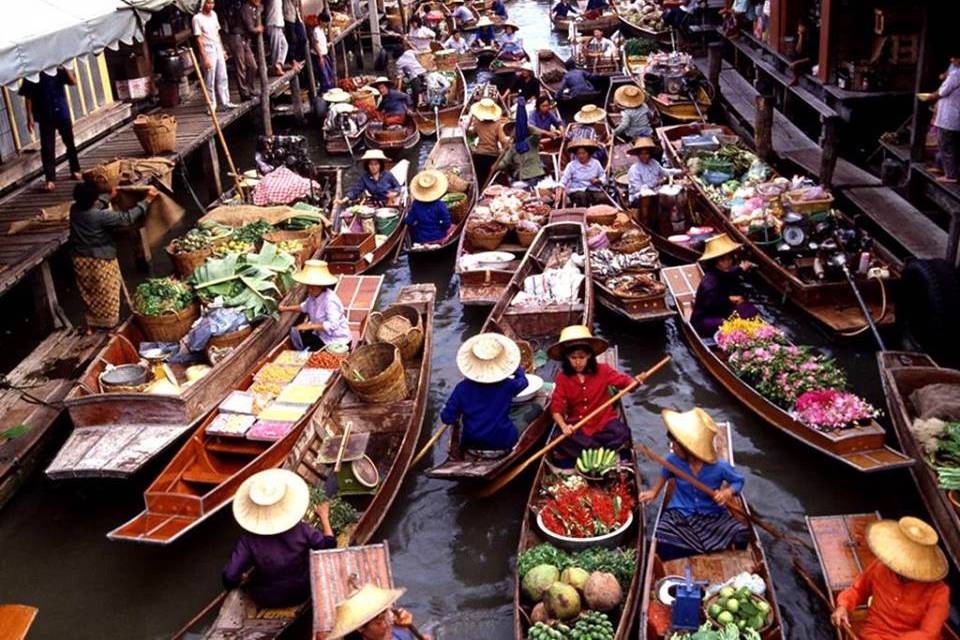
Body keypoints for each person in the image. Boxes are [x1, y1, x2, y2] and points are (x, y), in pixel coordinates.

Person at [638, 408, 750, 561]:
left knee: (741, 536)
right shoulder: (673, 461)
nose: (673, 447)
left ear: (689, 448)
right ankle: (700, 548)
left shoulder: (719, 467)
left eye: (676, 444)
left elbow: (739, 481)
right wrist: (653, 493)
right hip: (681, 513)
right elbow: (664, 476)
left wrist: (727, 492)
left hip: (711, 515)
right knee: (663, 536)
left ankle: (693, 548)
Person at [222, 469, 336, 608]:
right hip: (302, 591)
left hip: (266, 598)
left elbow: (229, 577)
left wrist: (242, 578)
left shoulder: (248, 540)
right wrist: (324, 517)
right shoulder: (301, 529)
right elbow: (329, 546)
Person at [831, 516, 950, 639]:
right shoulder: (880, 567)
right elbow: (857, 590)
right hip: (874, 634)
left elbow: (928, 633)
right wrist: (843, 606)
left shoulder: (939, 592)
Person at [69, 181, 158, 331]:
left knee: (89, 293)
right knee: (107, 293)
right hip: (99, 260)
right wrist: (146, 201)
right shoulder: (99, 216)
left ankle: (92, 325)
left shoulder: (74, 210)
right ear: (92, 200)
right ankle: (111, 327)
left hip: (79, 259)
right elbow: (126, 218)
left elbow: (95, 204)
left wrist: (109, 196)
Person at [548, 325, 633, 465]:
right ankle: (600, 451)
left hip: (604, 421)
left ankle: (591, 450)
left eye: (582, 357)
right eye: (573, 357)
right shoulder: (562, 378)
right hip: (579, 424)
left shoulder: (603, 370)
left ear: (589, 356)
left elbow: (625, 382)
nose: (577, 362)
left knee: (622, 433)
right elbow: (556, 408)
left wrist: (634, 382)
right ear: (567, 358)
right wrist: (564, 426)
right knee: (560, 439)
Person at [441, 333, 535, 452]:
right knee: (535, 408)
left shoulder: (462, 388)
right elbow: (523, 381)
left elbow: (447, 418)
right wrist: (516, 369)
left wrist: (456, 411)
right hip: (503, 442)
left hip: (471, 444)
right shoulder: (507, 385)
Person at [18, 67, 82, 192]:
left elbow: (73, 82)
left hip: (61, 111)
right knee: (47, 148)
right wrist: (29, 117)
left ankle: (75, 169)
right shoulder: (32, 72)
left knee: (69, 142)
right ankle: (50, 179)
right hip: (44, 114)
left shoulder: (57, 68)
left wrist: (65, 67)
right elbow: (28, 96)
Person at [689, 234, 759, 337]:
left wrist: (740, 269)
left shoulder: (720, 272)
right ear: (716, 262)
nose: (729, 262)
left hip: (722, 310)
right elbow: (712, 303)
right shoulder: (710, 282)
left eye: (729, 259)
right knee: (729, 325)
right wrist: (729, 299)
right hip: (705, 318)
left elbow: (729, 274)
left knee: (750, 310)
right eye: (724, 260)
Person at [279, 260, 351, 350]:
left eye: (312, 287)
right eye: (308, 286)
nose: (309, 289)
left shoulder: (330, 301)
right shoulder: (313, 296)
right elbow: (304, 307)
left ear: (321, 286)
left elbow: (333, 325)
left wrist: (310, 326)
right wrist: (285, 309)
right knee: (298, 334)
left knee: (306, 346)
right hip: (321, 336)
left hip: (337, 341)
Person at [328, 582, 432, 640]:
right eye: (379, 622)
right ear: (361, 629)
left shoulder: (394, 631)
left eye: (386, 615)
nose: (387, 624)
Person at [923, 52, 960, 184]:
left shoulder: (956, 75)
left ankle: (951, 175)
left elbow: (942, 92)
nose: (952, 60)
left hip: (949, 117)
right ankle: (943, 168)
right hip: (955, 116)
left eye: (955, 58)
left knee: (946, 145)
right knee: (950, 145)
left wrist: (928, 97)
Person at [495, 97, 548, 186]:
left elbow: (538, 133)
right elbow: (504, 162)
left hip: (537, 174)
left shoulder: (531, 141)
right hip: (522, 178)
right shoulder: (512, 147)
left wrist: (525, 126)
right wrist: (495, 167)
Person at [224, 0, 259, 100]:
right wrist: (258, 29)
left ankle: (250, 88)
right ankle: (244, 93)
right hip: (237, 38)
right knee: (241, 66)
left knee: (253, 66)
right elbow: (251, 28)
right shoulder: (245, 8)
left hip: (244, 39)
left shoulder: (253, 9)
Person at [467, 98, 508, 183]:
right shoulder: (497, 124)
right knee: (491, 180)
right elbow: (503, 140)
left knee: (480, 180)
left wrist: (468, 129)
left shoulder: (477, 122)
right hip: (493, 155)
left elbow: (472, 134)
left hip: (479, 155)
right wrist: (505, 150)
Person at [406, 170, 453, 244]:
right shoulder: (440, 205)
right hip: (438, 236)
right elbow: (447, 224)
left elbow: (408, 221)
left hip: (419, 237)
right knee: (453, 227)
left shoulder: (415, 204)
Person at [560, 139, 607, 206]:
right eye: (579, 153)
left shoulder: (596, 163)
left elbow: (603, 176)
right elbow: (563, 180)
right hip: (577, 190)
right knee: (582, 197)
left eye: (583, 153)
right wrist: (560, 188)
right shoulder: (571, 165)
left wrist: (598, 180)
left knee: (602, 197)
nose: (581, 156)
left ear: (588, 153)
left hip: (592, 189)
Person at [625, 137, 666, 205]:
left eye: (646, 153)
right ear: (638, 155)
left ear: (650, 154)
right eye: (642, 154)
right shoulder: (634, 169)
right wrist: (656, 182)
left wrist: (680, 172)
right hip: (638, 197)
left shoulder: (654, 162)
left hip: (655, 192)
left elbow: (663, 171)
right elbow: (640, 189)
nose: (645, 156)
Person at [307, 12, 335, 91]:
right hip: (319, 56)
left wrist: (327, 45)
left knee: (328, 74)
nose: (326, 24)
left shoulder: (321, 30)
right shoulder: (316, 31)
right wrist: (320, 57)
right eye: (325, 22)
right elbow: (315, 45)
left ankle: (328, 89)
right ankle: (325, 91)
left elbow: (321, 43)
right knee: (323, 75)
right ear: (320, 21)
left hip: (324, 55)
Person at [265, 0, 289, 75]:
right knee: (275, 48)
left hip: (279, 24)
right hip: (273, 23)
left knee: (285, 45)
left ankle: (278, 64)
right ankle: (275, 68)